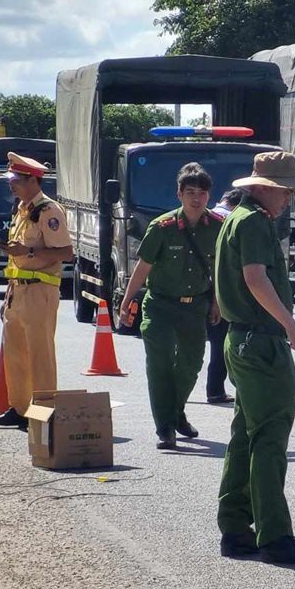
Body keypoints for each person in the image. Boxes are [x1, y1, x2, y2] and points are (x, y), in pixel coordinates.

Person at [214, 151, 295, 565]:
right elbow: (256, 278)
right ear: (264, 189)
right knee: (270, 437)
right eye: (285, 192)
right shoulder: (255, 222)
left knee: (247, 434)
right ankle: (274, 535)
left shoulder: (235, 219)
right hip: (260, 343)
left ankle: (236, 527)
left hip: (243, 340)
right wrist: (290, 327)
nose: (289, 200)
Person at [118, 163, 221, 449]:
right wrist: (127, 300)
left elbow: (219, 270)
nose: (196, 198)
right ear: (179, 194)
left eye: (201, 193)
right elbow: (142, 267)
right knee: (160, 366)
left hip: (195, 307)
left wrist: (216, 303)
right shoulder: (162, 227)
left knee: (190, 364)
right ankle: (166, 427)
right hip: (160, 306)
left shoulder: (216, 227)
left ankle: (176, 413)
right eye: (190, 192)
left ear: (208, 195)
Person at [0, 153, 73, 430]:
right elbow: (16, 258)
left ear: (32, 180)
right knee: (15, 354)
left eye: (16, 180)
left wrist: (29, 250)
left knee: (39, 354)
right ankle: (20, 408)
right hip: (18, 291)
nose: (11, 185)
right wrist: (7, 295)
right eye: (11, 179)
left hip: (40, 290)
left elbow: (66, 253)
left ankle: (43, 410)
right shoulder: (21, 210)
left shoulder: (48, 211)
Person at [204, 188, 244, 404]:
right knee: (221, 344)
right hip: (220, 294)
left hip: (199, 290)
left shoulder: (208, 216)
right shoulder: (231, 221)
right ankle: (216, 390)